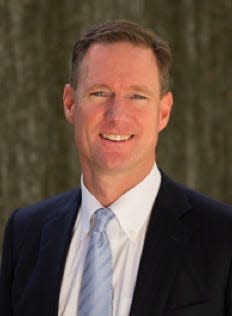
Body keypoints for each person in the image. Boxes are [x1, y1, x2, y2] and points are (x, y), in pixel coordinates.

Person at [0, 20, 232, 316]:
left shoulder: (223, 239)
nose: (116, 115)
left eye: (137, 96)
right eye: (99, 93)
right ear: (70, 103)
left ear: (163, 112)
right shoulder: (26, 234)